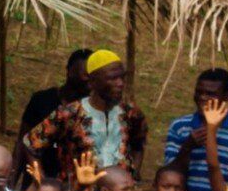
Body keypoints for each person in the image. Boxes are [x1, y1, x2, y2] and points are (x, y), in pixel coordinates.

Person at [22, 49, 147, 181]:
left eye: (122, 77)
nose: (120, 83)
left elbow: (139, 142)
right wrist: (43, 184)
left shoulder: (130, 112)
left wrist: (133, 175)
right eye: (113, 78)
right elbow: (30, 144)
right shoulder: (70, 113)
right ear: (93, 81)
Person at [19, 49, 94, 181]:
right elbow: (24, 141)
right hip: (38, 177)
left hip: (72, 181)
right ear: (70, 71)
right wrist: (15, 178)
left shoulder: (92, 110)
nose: (90, 79)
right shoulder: (42, 100)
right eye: (85, 74)